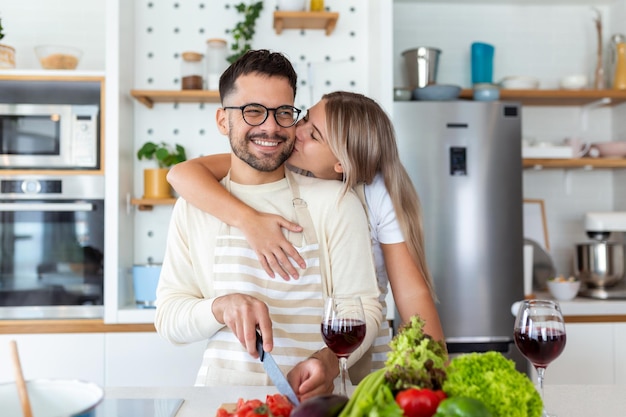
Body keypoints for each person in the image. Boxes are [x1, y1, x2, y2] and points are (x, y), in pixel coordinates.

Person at [154, 50, 383, 400]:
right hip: (224, 401)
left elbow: (365, 309)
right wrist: (221, 306)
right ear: (222, 120)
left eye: (284, 112)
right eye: (253, 111)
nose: (271, 127)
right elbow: (169, 317)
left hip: (316, 403)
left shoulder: (334, 203)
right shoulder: (195, 206)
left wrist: (329, 361)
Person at [167, 91, 446, 363]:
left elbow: (411, 295)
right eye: (303, 120)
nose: (295, 132)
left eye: (314, 136)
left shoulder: (375, 194)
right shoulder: (280, 166)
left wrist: (435, 379)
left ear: (340, 163)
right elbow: (180, 174)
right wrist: (248, 220)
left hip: (357, 347)